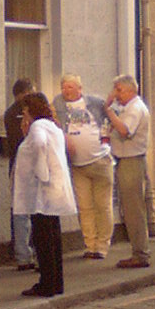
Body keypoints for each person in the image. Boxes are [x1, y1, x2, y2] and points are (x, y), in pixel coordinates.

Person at [11, 91, 77, 298]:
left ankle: (46, 283)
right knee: (53, 237)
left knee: (43, 239)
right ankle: (56, 282)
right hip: (53, 190)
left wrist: (41, 171)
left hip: (42, 191)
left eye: (25, 111)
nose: (24, 116)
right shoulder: (53, 126)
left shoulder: (38, 127)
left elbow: (38, 145)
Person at [52, 73, 115, 260]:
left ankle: (103, 246)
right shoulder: (58, 104)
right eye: (64, 87)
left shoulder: (94, 102)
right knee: (85, 207)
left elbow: (112, 115)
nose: (66, 91)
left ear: (80, 89)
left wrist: (107, 140)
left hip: (100, 161)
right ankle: (90, 245)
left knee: (103, 206)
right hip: (78, 165)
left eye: (70, 87)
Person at [103, 73, 151, 268]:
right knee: (130, 208)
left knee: (133, 210)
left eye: (119, 90)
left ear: (131, 90)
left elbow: (124, 130)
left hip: (132, 160)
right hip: (125, 160)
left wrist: (109, 111)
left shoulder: (135, 109)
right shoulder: (126, 107)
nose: (116, 94)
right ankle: (139, 251)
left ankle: (140, 254)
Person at [2, 77, 36, 270]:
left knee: (19, 210)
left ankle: (22, 255)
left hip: (15, 164)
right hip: (29, 164)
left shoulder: (8, 114)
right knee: (35, 209)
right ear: (26, 92)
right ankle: (32, 253)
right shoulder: (30, 114)